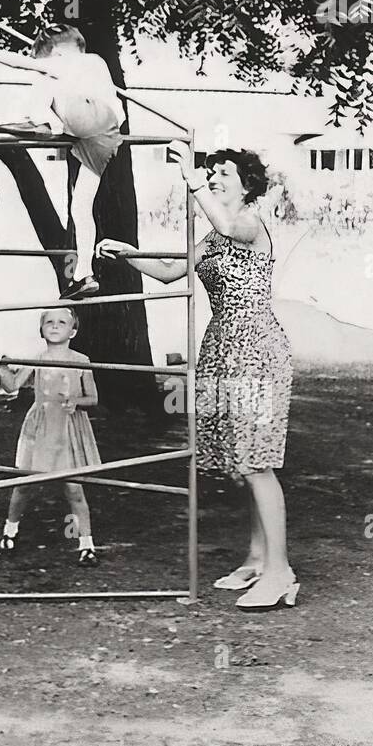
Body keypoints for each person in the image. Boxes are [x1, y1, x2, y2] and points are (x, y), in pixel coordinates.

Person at [97, 143, 296, 611]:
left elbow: (227, 224)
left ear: (248, 185)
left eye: (224, 173)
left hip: (256, 349)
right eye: (211, 173)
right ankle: (256, 556)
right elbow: (170, 272)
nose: (213, 178)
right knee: (239, 463)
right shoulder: (214, 234)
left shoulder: (246, 223)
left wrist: (188, 178)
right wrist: (127, 253)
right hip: (222, 347)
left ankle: (281, 571)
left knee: (255, 461)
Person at [0, 24, 123, 298]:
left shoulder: (64, 63)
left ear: (56, 52)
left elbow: (20, 63)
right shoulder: (98, 63)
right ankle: (84, 274)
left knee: (41, 78)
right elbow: (117, 109)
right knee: (81, 208)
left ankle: (44, 123)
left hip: (81, 118)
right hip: (107, 134)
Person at [0, 308, 102, 564]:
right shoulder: (37, 359)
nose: (55, 326)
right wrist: (3, 367)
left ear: (73, 331)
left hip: (68, 427)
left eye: (62, 323)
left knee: (74, 489)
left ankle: (86, 545)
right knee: (24, 484)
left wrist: (76, 401)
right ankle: (10, 531)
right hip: (41, 425)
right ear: (41, 330)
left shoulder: (81, 360)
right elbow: (11, 386)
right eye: (49, 322)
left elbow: (94, 398)